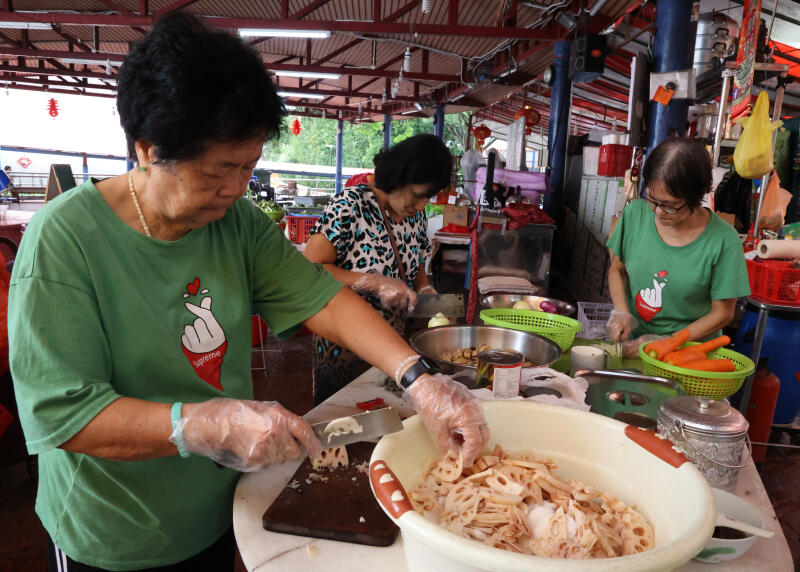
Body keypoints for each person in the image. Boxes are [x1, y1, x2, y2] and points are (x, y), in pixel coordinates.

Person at [8, 14, 487, 572]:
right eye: (218, 171)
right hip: (114, 530)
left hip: (218, 507)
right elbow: (66, 416)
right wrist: (201, 425)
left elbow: (325, 299)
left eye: (249, 167)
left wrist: (419, 379)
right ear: (146, 148)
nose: (237, 189)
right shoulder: (64, 241)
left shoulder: (236, 224)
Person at [303, 134, 449, 403]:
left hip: (392, 347)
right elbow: (309, 270)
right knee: (343, 425)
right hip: (344, 345)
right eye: (418, 196)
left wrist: (424, 286)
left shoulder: (414, 214)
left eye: (427, 198)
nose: (421, 206)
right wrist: (372, 282)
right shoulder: (349, 205)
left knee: (387, 422)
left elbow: (415, 260)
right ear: (398, 178)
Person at [606, 138, 750, 344]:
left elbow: (723, 313)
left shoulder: (723, 239)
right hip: (633, 344)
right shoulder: (634, 214)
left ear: (695, 196)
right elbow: (617, 268)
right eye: (652, 200)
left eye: (669, 205)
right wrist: (621, 312)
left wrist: (668, 341)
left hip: (689, 352)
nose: (657, 211)